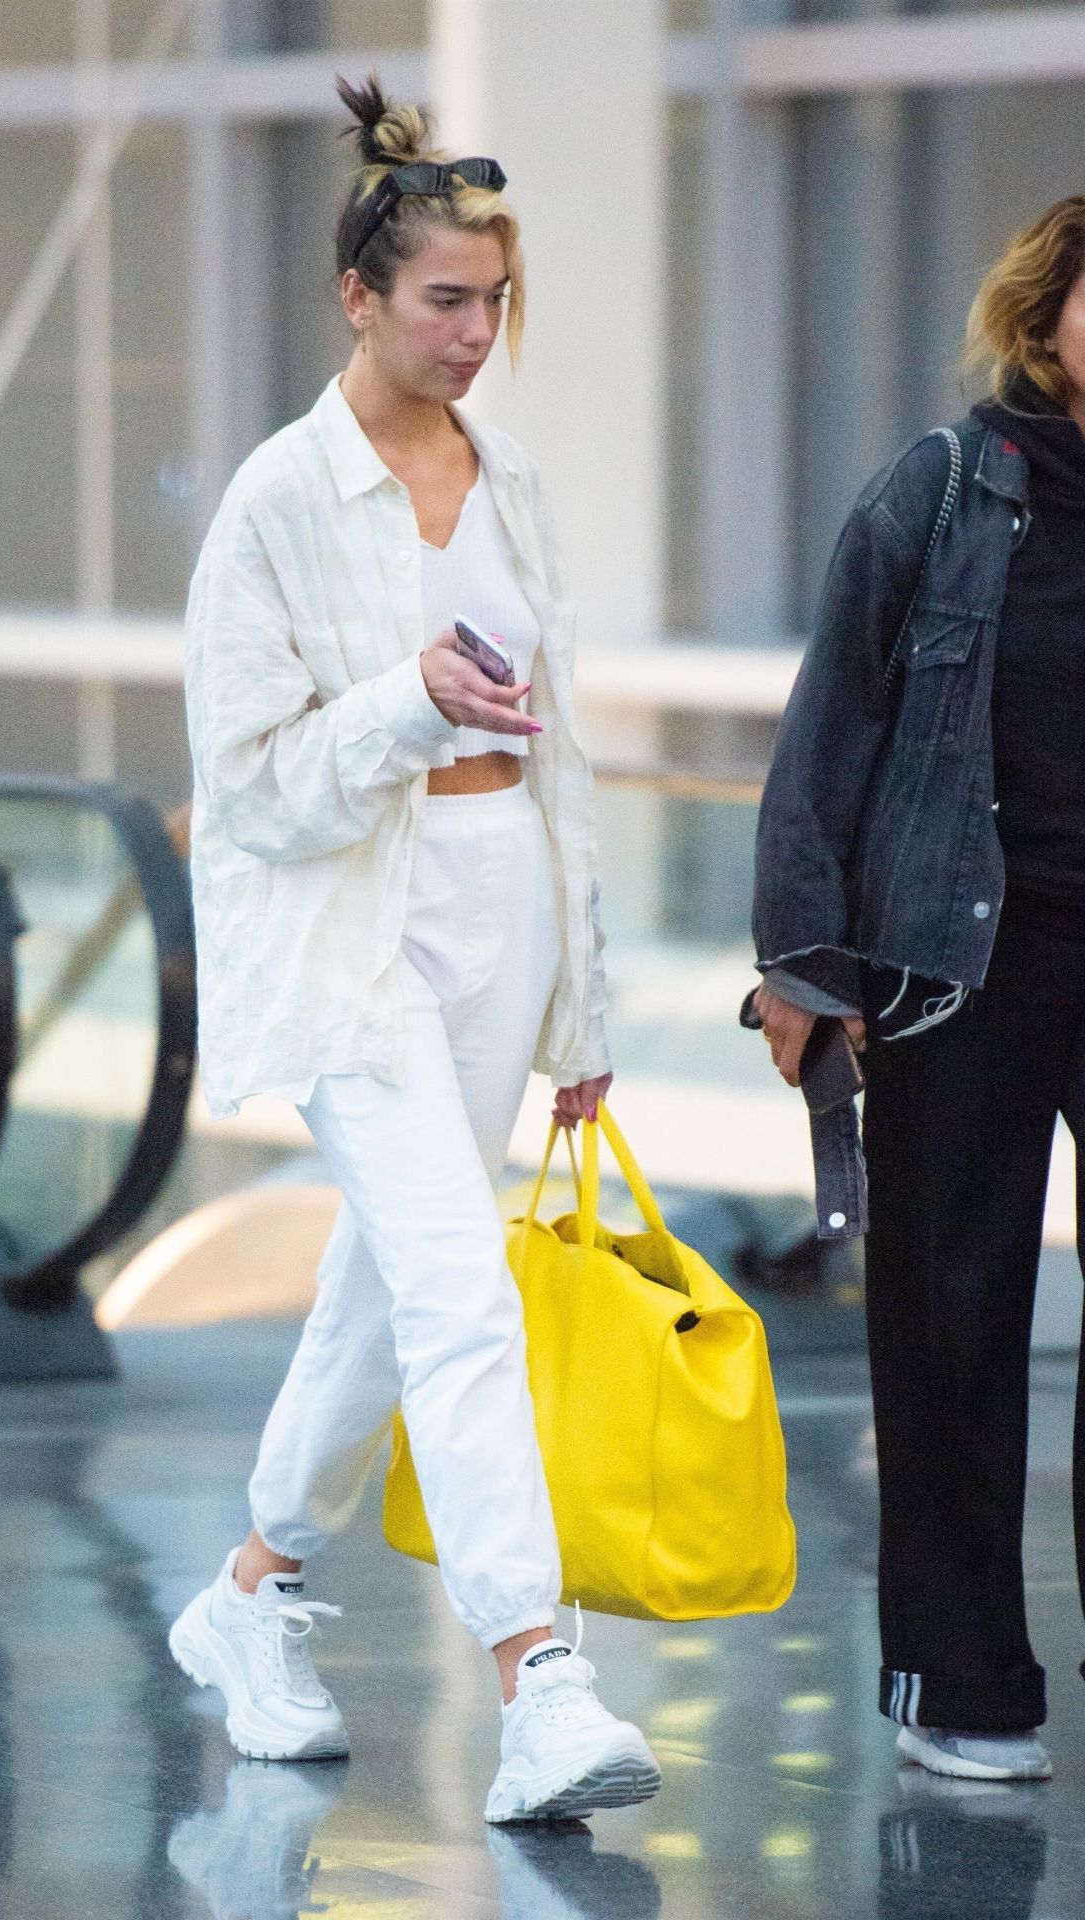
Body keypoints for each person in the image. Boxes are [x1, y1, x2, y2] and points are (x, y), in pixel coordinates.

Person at [170, 75, 661, 1826]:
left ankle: (248, 1596)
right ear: (358, 298)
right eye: (445, 299)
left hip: (498, 912)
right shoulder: (277, 504)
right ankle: (543, 1677)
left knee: (386, 1294)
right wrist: (402, 702)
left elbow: (566, 761)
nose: (475, 334)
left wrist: (582, 996)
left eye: (497, 302)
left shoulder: (509, 478)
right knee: (458, 1293)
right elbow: (245, 793)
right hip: (349, 937)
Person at [751, 196, 1085, 1782]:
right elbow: (829, 729)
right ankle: (964, 1685)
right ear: (1049, 311)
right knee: (955, 1315)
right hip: (964, 956)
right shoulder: (945, 491)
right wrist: (806, 964)